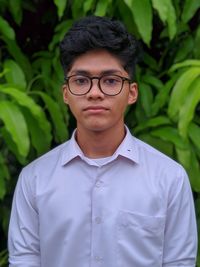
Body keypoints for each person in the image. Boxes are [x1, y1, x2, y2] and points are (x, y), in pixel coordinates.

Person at [8, 16, 197, 267]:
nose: (94, 93)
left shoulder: (169, 179)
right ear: (65, 93)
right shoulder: (34, 180)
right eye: (81, 80)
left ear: (132, 92)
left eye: (110, 81)